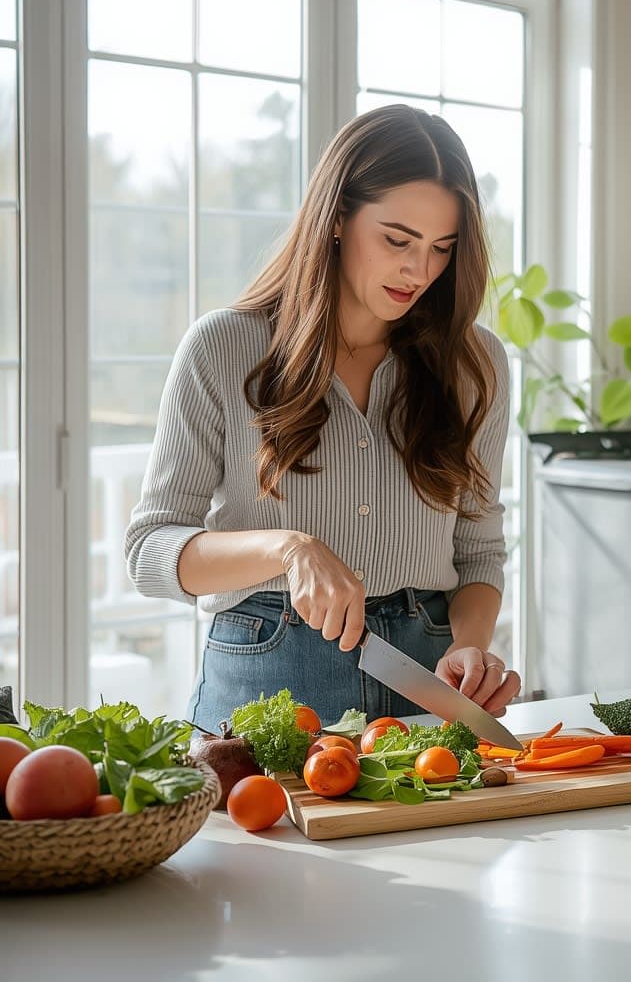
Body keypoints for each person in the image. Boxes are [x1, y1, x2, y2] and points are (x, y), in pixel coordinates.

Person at [125, 104, 521, 732]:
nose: (420, 271)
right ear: (337, 217)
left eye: (441, 248)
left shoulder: (475, 366)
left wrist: (469, 645)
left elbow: (478, 552)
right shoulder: (222, 349)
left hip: (426, 677)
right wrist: (288, 548)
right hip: (267, 674)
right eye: (397, 240)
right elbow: (150, 550)